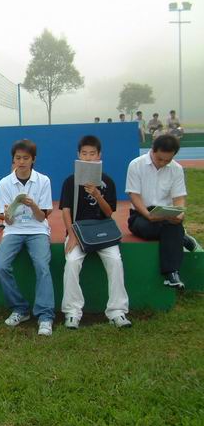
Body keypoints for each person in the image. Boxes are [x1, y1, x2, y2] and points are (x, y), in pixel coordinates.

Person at [59, 135, 131, 329]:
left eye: (92, 153)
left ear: (99, 155)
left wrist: (97, 195)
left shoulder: (107, 181)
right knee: (71, 262)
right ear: (78, 155)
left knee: (115, 261)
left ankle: (117, 311)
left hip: (102, 231)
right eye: (84, 153)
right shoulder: (70, 181)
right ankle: (72, 312)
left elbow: (109, 212)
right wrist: (71, 235)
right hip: (78, 232)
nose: (88, 157)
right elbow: (65, 211)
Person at [0, 139, 55, 336]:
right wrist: (7, 214)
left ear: (33, 159)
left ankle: (45, 316)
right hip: (13, 230)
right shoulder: (4, 183)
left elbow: (42, 217)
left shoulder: (43, 181)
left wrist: (32, 205)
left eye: (25, 158)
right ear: (13, 159)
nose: (21, 162)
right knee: (0, 266)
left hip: (38, 229)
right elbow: (8, 222)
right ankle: (20, 308)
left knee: (42, 266)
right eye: (17, 158)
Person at [126, 134, 200, 289]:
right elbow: (134, 196)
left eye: (168, 160)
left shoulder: (176, 169)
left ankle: (172, 274)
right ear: (153, 150)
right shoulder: (136, 165)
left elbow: (179, 197)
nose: (163, 163)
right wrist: (148, 215)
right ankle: (181, 237)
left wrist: (180, 213)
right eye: (159, 159)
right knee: (164, 229)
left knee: (173, 224)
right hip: (141, 214)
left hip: (165, 214)